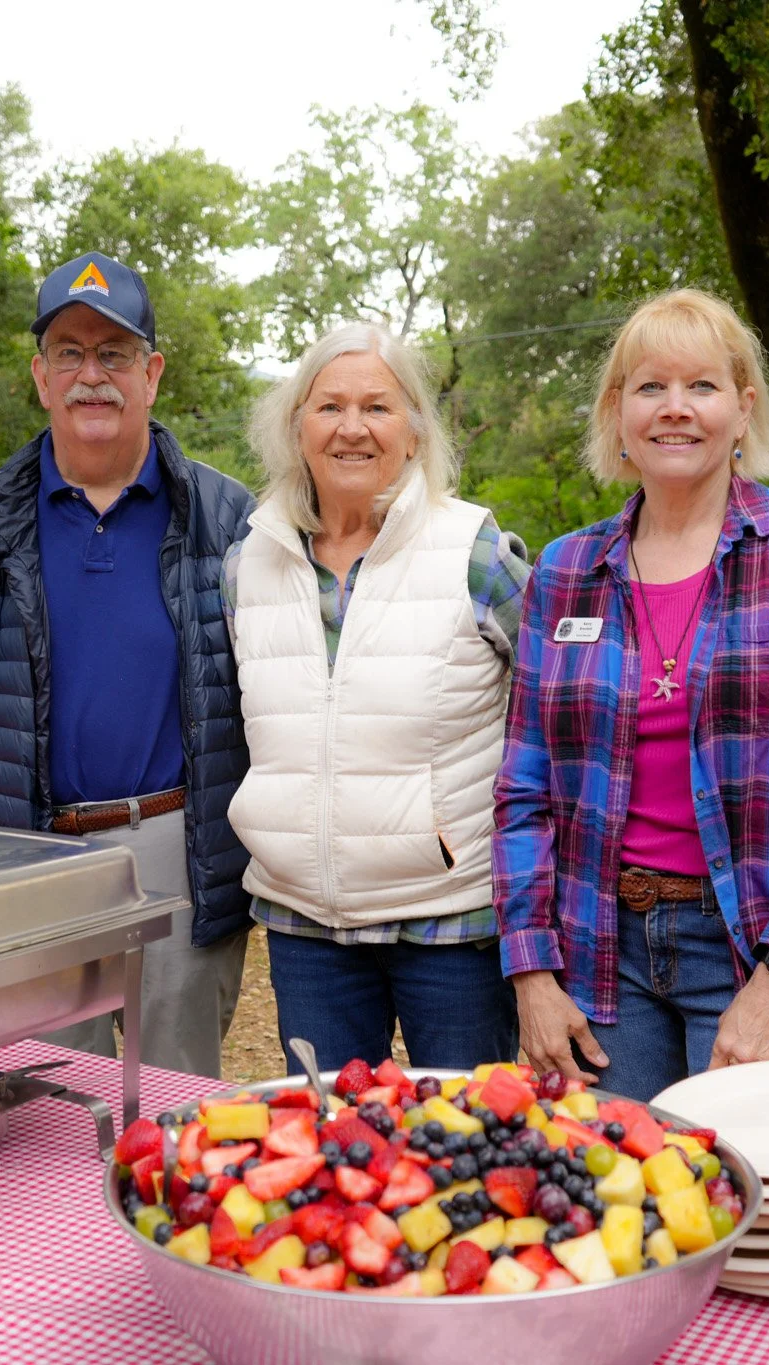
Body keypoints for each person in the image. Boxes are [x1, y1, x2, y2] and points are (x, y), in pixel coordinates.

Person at [493, 288, 769, 1103]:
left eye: (703, 387)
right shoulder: (567, 571)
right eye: (650, 387)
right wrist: (532, 971)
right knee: (618, 1211)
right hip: (598, 957)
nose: (675, 410)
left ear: (743, 411)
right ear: (618, 413)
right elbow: (522, 791)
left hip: (754, 943)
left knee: (766, 1212)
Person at [0, 250, 255, 1079]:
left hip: (181, 848)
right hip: (31, 855)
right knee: (38, 1107)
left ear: (153, 373)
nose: (91, 375)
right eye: (70, 352)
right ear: (40, 375)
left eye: (115, 353)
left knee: (179, 1109)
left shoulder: (228, 517)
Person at [221, 322, 529, 1073]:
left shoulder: (478, 553)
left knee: (463, 1152)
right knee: (333, 1156)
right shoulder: (247, 563)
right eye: (329, 407)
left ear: (416, 432)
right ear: (297, 428)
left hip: (451, 925)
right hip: (307, 929)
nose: (352, 428)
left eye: (378, 408)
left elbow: (553, 720)